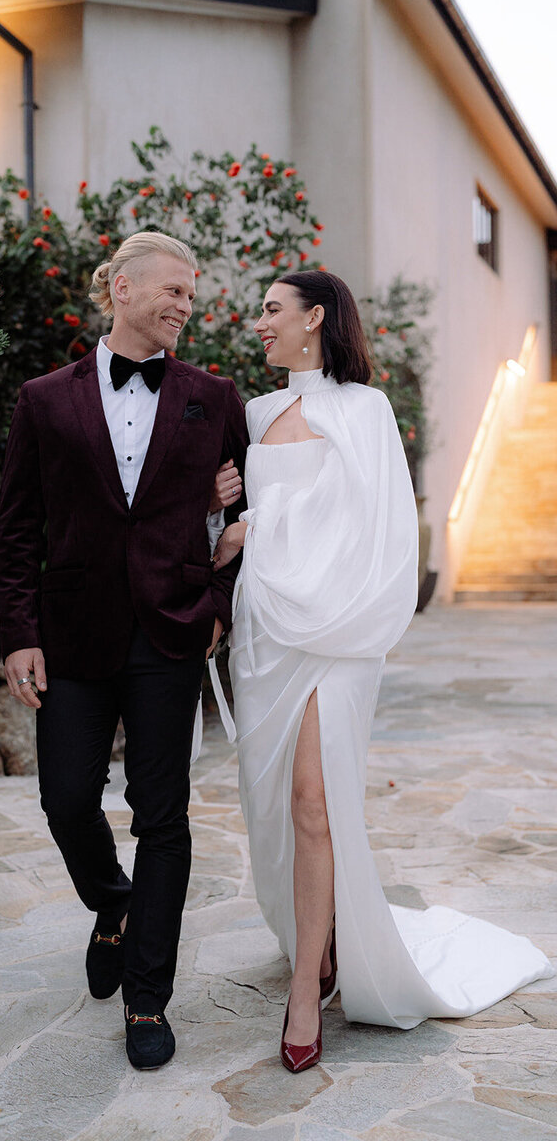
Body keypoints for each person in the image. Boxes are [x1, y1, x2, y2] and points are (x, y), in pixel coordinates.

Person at [211, 270, 553, 1073]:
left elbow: (373, 526)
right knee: (273, 804)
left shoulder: (365, 410)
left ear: (315, 317)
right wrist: (223, 511)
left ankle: (307, 989)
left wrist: (258, 522)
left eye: (272, 309)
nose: (259, 322)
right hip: (266, 634)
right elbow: (222, 524)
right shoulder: (254, 414)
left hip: (339, 632)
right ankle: (315, 937)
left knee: (314, 801)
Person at [0, 231, 248, 1070]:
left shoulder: (214, 397)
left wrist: (218, 607)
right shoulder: (43, 399)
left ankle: (147, 1000)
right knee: (66, 800)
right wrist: (20, 632)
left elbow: (253, 518)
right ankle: (114, 902)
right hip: (73, 633)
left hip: (172, 628)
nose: (185, 305)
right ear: (124, 288)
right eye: (173, 290)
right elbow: (17, 527)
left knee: (162, 815)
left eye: (191, 294)